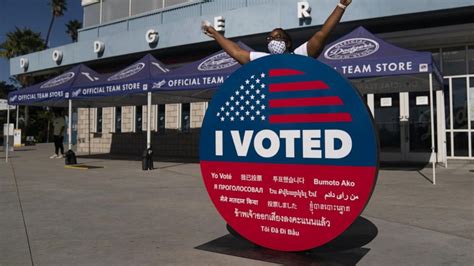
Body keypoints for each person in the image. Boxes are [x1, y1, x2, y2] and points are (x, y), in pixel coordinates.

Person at [202, 0, 352, 64]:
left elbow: (322, 34)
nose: (273, 40)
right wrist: (215, 34)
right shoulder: (264, 59)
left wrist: (341, 5)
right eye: (270, 38)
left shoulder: (300, 56)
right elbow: (236, 52)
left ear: (287, 43)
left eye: (278, 37)